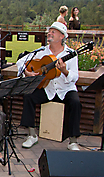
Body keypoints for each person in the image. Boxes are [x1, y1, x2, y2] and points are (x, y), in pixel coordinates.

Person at [16, 22, 82, 150]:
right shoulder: (41, 51)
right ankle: (32, 135)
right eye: (49, 31)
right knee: (28, 96)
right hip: (48, 89)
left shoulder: (71, 53)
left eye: (53, 32)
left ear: (62, 36)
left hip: (65, 89)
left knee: (75, 103)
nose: (49, 34)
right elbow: (20, 61)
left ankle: (73, 141)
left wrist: (65, 71)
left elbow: (75, 77)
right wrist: (26, 71)